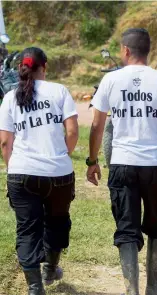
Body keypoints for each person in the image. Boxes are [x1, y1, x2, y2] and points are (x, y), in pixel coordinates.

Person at [86, 28, 157, 295]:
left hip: (122, 163)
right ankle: (153, 286)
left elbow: (97, 126)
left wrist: (92, 160)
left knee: (126, 228)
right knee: (156, 225)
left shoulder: (111, 80)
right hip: (156, 166)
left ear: (125, 50)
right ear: (148, 51)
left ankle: (130, 289)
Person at [0, 47, 78, 294]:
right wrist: (62, 154)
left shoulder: (10, 97)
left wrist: (12, 169)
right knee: (57, 221)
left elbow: (5, 142)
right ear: (44, 67)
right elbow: (73, 132)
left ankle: (35, 288)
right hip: (59, 173)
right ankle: (50, 269)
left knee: (27, 229)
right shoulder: (59, 91)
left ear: (21, 68)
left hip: (22, 173)